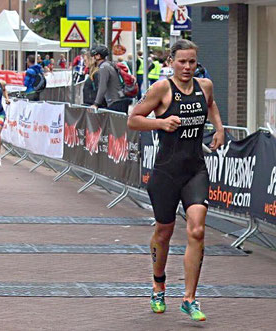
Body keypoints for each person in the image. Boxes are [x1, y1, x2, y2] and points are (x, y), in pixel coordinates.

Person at [127, 39, 225, 322]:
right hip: (166, 173)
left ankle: (190, 298)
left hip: (195, 170)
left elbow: (212, 104)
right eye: (182, 61)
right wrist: (160, 122)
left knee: (196, 230)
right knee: (164, 232)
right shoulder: (162, 89)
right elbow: (134, 119)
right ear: (171, 61)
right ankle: (159, 285)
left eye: (192, 62)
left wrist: (218, 129)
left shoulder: (204, 85)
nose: (187, 67)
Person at [90, 45, 131, 114]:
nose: (92, 58)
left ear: (98, 56)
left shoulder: (104, 67)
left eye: (93, 56)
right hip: (120, 99)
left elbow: (102, 87)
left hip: (115, 101)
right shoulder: (109, 64)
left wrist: (96, 104)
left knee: (115, 124)